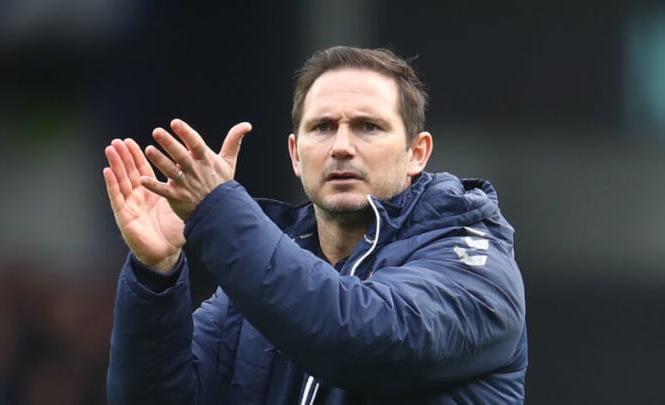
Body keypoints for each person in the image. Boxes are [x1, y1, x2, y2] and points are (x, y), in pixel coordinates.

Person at [103, 46, 527, 404]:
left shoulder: (473, 259)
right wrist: (155, 275)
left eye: (368, 127)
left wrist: (217, 212)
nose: (342, 146)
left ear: (417, 153)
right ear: (295, 154)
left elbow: (358, 339)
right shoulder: (255, 287)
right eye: (322, 127)